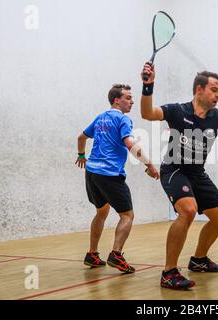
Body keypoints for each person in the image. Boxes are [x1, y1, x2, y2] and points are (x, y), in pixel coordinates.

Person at [140, 63, 218, 289]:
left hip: (197, 173)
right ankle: (169, 272)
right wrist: (148, 86)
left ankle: (198, 260)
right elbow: (147, 113)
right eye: (214, 89)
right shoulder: (178, 111)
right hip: (174, 169)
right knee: (187, 211)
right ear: (199, 89)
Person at [76, 83, 159, 273]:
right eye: (128, 98)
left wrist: (81, 155)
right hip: (110, 174)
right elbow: (130, 144)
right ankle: (116, 254)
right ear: (116, 100)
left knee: (101, 212)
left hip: (92, 172)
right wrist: (149, 165)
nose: (131, 101)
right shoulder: (123, 119)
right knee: (127, 215)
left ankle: (92, 254)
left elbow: (81, 137)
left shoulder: (100, 118)